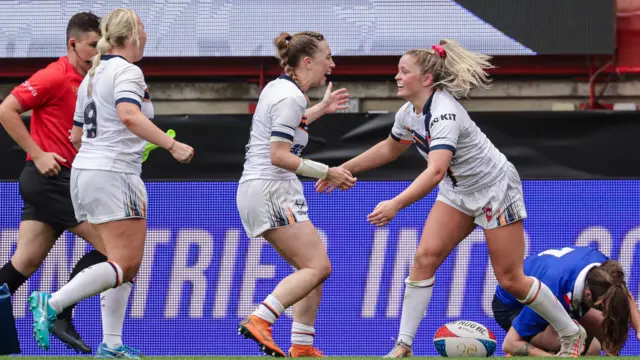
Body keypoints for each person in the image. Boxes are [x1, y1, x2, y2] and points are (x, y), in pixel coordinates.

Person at [316, 39, 588, 358]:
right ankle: (403, 345)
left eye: (404, 71)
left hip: (494, 189)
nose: (397, 77)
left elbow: (434, 172)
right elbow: (391, 148)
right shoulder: (409, 113)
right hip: (458, 191)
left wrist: (395, 204)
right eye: (397, 71)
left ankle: (572, 334)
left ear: (427, 79)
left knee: (512, 279)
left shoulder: (444, 113)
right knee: (424, 259)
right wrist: (341, 169)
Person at [27, 8, 194, 358]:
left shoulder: (93, 74)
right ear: (131, 35)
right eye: (144, 29)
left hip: (87, 171)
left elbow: (75, 136)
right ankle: (52, 303)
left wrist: (133, 144)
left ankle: (112, 344)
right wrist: (170, 144)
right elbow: (129, 116)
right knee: (126, 263)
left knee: (119, 260)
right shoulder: (127, 71)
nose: (147, 36)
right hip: (113, 173)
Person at [0, 12, 134, 355]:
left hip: (61, 181)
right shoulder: (54, 76)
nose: (99, 50)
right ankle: (60, 311)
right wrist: (38, 152)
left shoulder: (95, 78)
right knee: (119, 254)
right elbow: (6, 109)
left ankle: (61, 312)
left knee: (24, 262)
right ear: (73, 44)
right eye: (93, 45)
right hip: (52, 179)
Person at [236, 31, 354, 358]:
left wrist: (322, 109)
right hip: (271, 188)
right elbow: (279, 154)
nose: (332, 64)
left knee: (311, 269)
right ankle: (261, 318)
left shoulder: (281, 89)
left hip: (265, 188)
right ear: (307, 62)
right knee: (318, 268)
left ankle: (301, 344)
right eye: (327, 57)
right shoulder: (291, 96)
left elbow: (289, 125)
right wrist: (327, 171)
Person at [493, 246, 640, 357]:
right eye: (601, 307)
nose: (603, 312)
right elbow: (510, 343)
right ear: (588, 295)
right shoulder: (549, 293)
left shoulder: (603, 270)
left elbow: (621, 291)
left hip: (559, 284)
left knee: (607, 329)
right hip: (514, 306)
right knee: (589, 348)